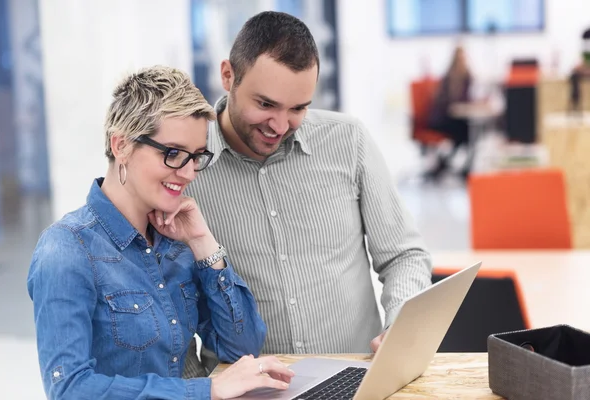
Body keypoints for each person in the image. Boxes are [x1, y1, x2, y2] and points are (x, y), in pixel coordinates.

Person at [183, 11, 432, 371]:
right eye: (265, 104)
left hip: (357, 378)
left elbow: (404, 255)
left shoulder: (349, 141)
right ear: (228, 75)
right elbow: (169, 312)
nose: (280, 125)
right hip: (249, 389)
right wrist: (201, 390)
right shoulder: (185, 167)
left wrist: (400, 324)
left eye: (298, 108)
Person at [27, 66, 294, 400]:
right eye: (172, 154)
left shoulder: (176, 242)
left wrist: (202, 242)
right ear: (121, 145)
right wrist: (206, 390)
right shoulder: (66, 249)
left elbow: (240, 347)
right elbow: (69, 389)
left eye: (196, 157)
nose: (187, 173)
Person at [427, 45, 474, 180]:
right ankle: (456, 167)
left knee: (467, 131)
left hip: (456, 119)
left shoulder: (467, 76)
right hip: (442, 119)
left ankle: (446, 164)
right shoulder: (449, 78)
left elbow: (467, 98)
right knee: (466, 133)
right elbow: (449, 103)